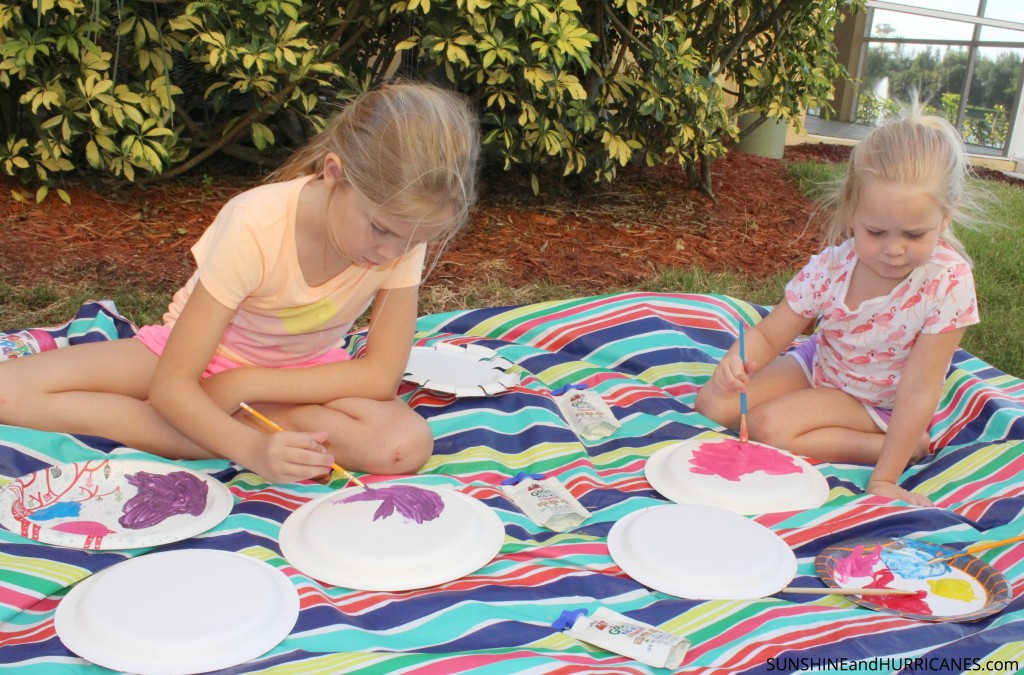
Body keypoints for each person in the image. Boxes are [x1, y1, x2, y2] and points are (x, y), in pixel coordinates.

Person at [0, 82, 480, 484]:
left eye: (416, 240)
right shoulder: (256, 223)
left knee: (403, 444)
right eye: (381, 231)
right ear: (335, 174)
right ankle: (208, 425)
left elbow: (380, 376)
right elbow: (172, 381)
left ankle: (206, 423)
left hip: (297, 376)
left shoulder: (401, 229)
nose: (392, 253)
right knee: (7, 392)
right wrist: (253, 449)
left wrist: (241, 385)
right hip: (189, 355)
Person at [694, 110, 981, 507]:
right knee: (712, 403)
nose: (894, 249)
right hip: (820, 365)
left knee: (769, 427)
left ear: (945, 217)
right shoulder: (833, 266)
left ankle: (902, 445)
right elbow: (768, 334)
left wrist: (884, 479)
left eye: (915, 234)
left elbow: (919, 388)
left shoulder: (946, 282)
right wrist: (737, 362)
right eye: (876, 232)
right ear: (851, 211)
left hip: (877, 400)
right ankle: (858, 428)